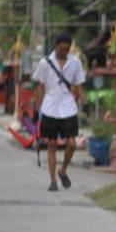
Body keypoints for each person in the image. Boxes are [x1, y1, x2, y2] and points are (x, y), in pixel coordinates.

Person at [33, 33, 85, 191]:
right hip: (50, 107)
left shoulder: (75, 62)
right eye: (61, 49)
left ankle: (63, 171)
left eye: (66, 49)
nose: (63, 52)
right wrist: (36, 108)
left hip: (68, 107)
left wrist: (83, 101)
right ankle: (53, 181)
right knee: (51, 144)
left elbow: (77, 85)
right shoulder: (44, 63)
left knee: (71, 143)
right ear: (56, 46)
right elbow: (41, 86)